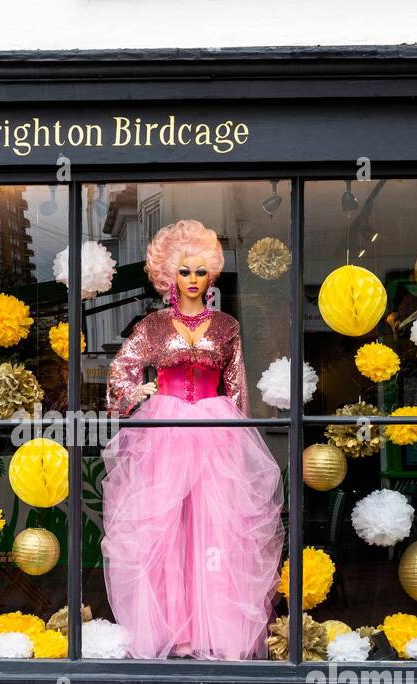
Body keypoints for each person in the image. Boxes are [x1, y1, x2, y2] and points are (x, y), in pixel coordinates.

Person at [102, 219, 285, 660]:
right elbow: (120, 370)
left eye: (200, 271)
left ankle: (214, 628)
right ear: (169, 275)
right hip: (163, 432)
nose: (192, 280)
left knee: (215, 529)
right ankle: (172, 628)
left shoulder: (225, 326)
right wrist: (135, 393)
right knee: (163, 529)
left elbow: (237, 386)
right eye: (183, 271)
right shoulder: (153, 326)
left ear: (211, 275)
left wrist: (241, 441)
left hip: (213, 431)